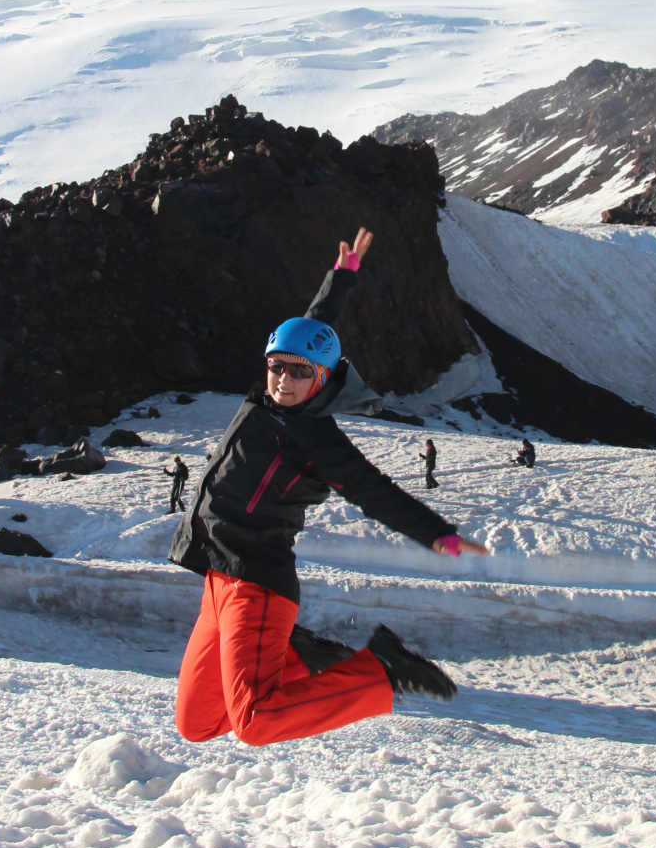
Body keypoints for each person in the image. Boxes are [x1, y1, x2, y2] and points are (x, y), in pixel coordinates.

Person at [169, 227, 488, 748]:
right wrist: (342, 276)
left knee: (254, 722)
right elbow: (312, 325)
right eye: (277, 367)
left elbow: (373, 490)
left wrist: (438, 534)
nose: (284, 380)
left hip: (257, 583)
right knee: (197, 723)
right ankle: (301, 656)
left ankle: (382, 670)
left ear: (322, 377)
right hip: (217, 577)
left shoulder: (318, 438)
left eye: (299, 373)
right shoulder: (265, 401)